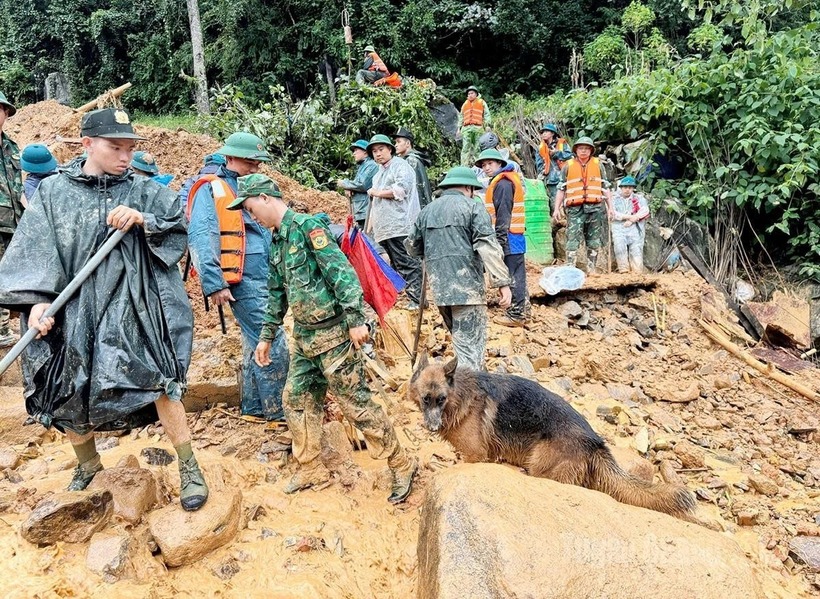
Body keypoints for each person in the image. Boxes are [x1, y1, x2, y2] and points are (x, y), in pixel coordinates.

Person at [0, 108, 208, 510]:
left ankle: (189, 466)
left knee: (159, 380)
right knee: (66, 385)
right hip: (72, 308)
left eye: (130, 148)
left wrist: (143, 219)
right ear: (87, 144)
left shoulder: (143, 189)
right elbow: (36, 247)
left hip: (132, 308)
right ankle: (88, 465)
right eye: (116, 147)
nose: (125, 157)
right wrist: (39, 301)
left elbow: (178, 226)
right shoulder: (54, 192)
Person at [227, 174, 417, 502]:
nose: (250, 215)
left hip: (334, 337)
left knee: (356, 405)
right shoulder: (277, 241)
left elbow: (342, 274)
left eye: (250, 208)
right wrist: (266, 336)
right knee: (296, 399)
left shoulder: (308, 228)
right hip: (305, 340)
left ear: (265, 198)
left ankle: (401, 463)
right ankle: (310, 466)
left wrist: (356, 320)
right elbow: (277, 293)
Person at [187, 132, 289, 424]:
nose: (255, 167)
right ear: (230, 157)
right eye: (249, 162)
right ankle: (279, 411)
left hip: (262, 275)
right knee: (272, 339)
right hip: (242, 280)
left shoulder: (249, 185)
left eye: (258, 163)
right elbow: (201, 236)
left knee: (253, 341)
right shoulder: (212, 188)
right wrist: (214, 282)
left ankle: (254, 407)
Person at [405, 166, 512, 370]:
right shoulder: (473, 208)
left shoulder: (427, 211)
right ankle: (470, 388)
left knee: (463, 347)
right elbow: (488, 246)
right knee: (470, 356)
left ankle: (472, 382)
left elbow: (412, 247)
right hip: (468, 292)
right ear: (468, 188)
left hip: (441, 292)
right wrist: (502, 283)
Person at [366, 134, 423, 307]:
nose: (378, 154)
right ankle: (408, 297)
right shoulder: (378, 174)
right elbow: (375, 204)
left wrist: (376, 192)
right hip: (385, 229)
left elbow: (401, 190)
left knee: (407, 262)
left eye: (381, 149)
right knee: (396, 265)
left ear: (390, 149)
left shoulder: (400, 166)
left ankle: (418, 300)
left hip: (400, 225)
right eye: (374, 151)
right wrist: (368, 230)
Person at [476, 149, 530, 328]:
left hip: (508, 235)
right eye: (484, 165)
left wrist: (499, 241)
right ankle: (524, 309)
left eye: (490, 164)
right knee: (518, 273)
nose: (486, 168)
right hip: (514, 234)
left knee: (512, 274)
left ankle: (516, 314)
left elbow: (503, 215)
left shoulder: (503, 184)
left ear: (499, 164)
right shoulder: (506, 181)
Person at [552, 137, 613, 273]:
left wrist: (610, 208)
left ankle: (591, 269)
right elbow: (561, 188)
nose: (583, 151)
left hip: (595, 209)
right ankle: (570, 269)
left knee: (594, 240)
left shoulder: (598, 165)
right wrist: (556, 208)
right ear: (576, 150)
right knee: (572, 239)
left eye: (586, 148)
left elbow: (605, 187)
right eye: (581, 148)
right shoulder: (568, 165)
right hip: (575, 209)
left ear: (591, 150)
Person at [0, 91, 23, 348]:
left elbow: (17, 186)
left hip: (13, 224)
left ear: (6, 113)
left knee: (7, 276)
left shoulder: (12, 147)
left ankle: (3, 329)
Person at [535, 123, 572, 260]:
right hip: (551, 180)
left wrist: (556, 153)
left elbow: (569, 155)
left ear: (552, 133)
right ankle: (560, 227)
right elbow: (539, 164)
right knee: (554, 206)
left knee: (568, 203)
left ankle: (569, 223)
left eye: (546, 131)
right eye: (543, 132)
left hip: (565, 178)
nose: (544, 134)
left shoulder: (562, 144)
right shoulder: (540, 148)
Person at [336, 139, 379, 228]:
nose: (353, 154)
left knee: (367, 235)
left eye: (356, 150)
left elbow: (362, 185)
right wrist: (350, 188)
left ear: (365, 152)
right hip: (361, 211)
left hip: (366, 210)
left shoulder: (371, 165)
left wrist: (344, 184)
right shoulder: (363, 166)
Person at [611, 175, 649, 273]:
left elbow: (645, 210)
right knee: (619, 248)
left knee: (636, 249)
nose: (627, 190)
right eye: (625, 187)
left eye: (630, 187)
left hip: (634, 227)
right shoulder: (614, 199)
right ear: (621, 188)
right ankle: (623, 270)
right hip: (618, 227)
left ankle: (637, 271)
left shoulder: (639, 198)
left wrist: (633, 219)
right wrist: (628, 217)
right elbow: (612, 213)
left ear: (633, 188)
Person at [394, 127, 432, 209]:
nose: (396, 145)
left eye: (398, 142)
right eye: (395, 142)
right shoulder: (406, 159)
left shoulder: (411, 160)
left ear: (408, 143)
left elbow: (417, 188)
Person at [458, 86, 490, 167]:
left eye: (472, 93)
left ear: (476, 94)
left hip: (478, 128)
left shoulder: (481, 102)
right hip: (466, 129)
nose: (470, 95)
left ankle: (479, 167)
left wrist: (487, 125)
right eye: (469, 94)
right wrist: (459, 128)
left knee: (477, 148)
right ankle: (464, 167)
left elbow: (487, 114)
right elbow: (461, 116)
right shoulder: (465, 104)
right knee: (465, 148)